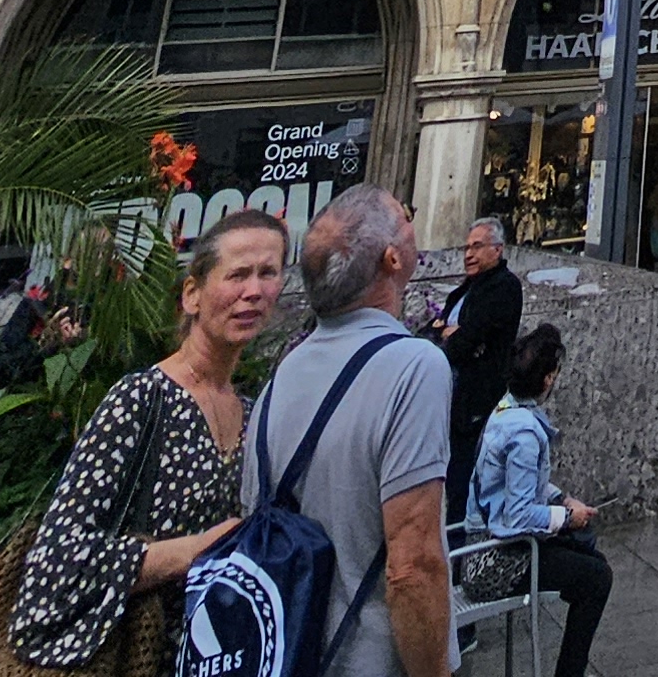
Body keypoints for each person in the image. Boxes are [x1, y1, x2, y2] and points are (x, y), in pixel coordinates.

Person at [11, 209, 284, 667]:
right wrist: (199, 549)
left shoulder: (256, 415)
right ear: (192, 295)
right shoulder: (141, 399)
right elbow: (55, 564)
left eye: (268, 273)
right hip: (128, 657)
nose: (254, 291)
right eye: (237, 274)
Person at [241, 186, 451, 677]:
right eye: (407, 216)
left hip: (285, 655)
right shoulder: (414, 367)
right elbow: (412, 566)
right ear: (392, 259)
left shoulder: (280, 377)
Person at [463, 323, 611, 677]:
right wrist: (567, 517)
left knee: (590, 560)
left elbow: (521, 484)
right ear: (547, 380)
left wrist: (563, 498)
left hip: (481, 548)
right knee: (597, 577)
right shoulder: (525, 433)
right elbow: (518, 515)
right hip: (494, 562)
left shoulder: (505, 410)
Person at [442, 218, 524, 478]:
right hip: (448, 397)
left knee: (464, 474)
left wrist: (455, 335)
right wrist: (449, 333)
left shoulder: (504, 287)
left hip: (475, 399)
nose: (469, 254)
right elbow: (434, 329)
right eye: (466, 248)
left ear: (497, 250)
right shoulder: (465, 289)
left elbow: (469, 339)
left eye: (476, 247)